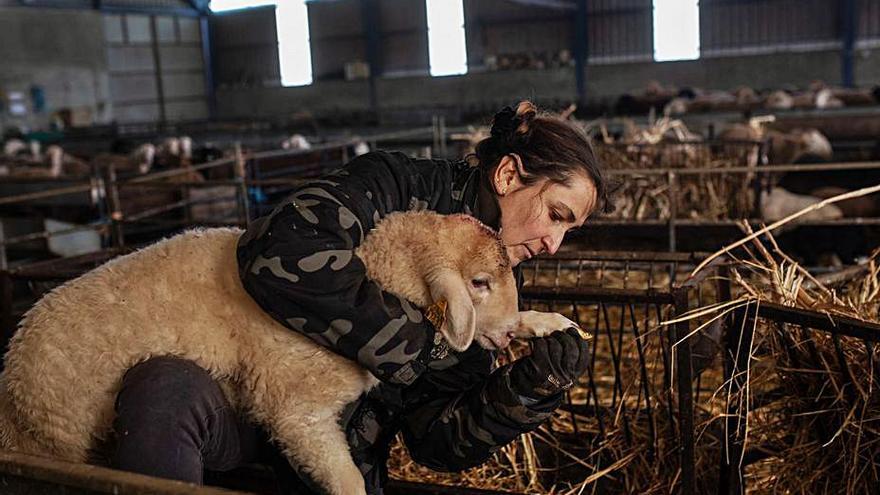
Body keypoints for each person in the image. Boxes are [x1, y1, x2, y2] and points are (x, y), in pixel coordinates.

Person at [108, 101, 611, 494]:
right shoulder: (394, 185)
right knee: (166, 389)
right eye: (556, 214)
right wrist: (425, 343)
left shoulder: (493, 282)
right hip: (246, 390)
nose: (553, 243)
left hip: (340, 455)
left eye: (568, 229)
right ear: (506, 175)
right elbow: (278, 251)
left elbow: (436, 441)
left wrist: (524, 389)